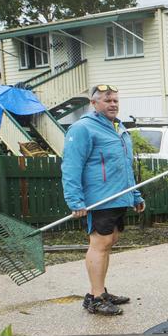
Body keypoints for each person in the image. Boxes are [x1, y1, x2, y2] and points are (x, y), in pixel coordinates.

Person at [61, 84, 145, 316]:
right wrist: (75, 201)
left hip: (119, 196)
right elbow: (71, 166)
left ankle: (98, 292)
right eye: (107, 100)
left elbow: (125, 166)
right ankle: (96, 299)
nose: (113, 104)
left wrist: (134, 195)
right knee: (99, 244)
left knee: (109, 242)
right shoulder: (83, 128)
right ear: (94, 103)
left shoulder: (118, 128)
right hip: (99, 198)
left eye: (115, 100)